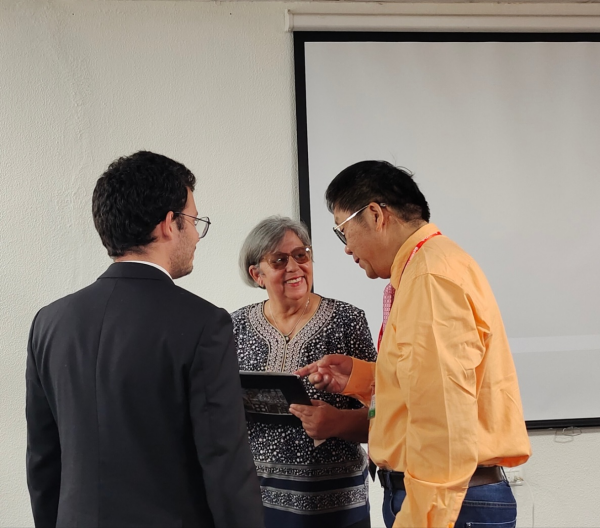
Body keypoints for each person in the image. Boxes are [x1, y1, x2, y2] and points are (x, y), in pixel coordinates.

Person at [25, 151, 264, 528]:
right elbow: (225, 466)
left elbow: (43, 461)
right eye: (194, 221)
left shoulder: (49, 322)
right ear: (169, 224)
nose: (196, 236)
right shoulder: (204, 323)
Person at [297, 161, 532, 528]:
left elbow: (444, 422)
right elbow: (425, 383)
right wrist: (360, 378)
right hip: (452, 500)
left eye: (343, 232)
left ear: (375, 215)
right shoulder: (429, 267)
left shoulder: (429, 279)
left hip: (449, 504)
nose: (346, 249)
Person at [232, 216, 377, 528]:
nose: (294, 267)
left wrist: (336, 423)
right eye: (279, 260)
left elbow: (383, 415)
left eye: (301, 255)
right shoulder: (235, 327)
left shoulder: (347, 321)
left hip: (337, 501)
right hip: (260, 501)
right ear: (257, 274)